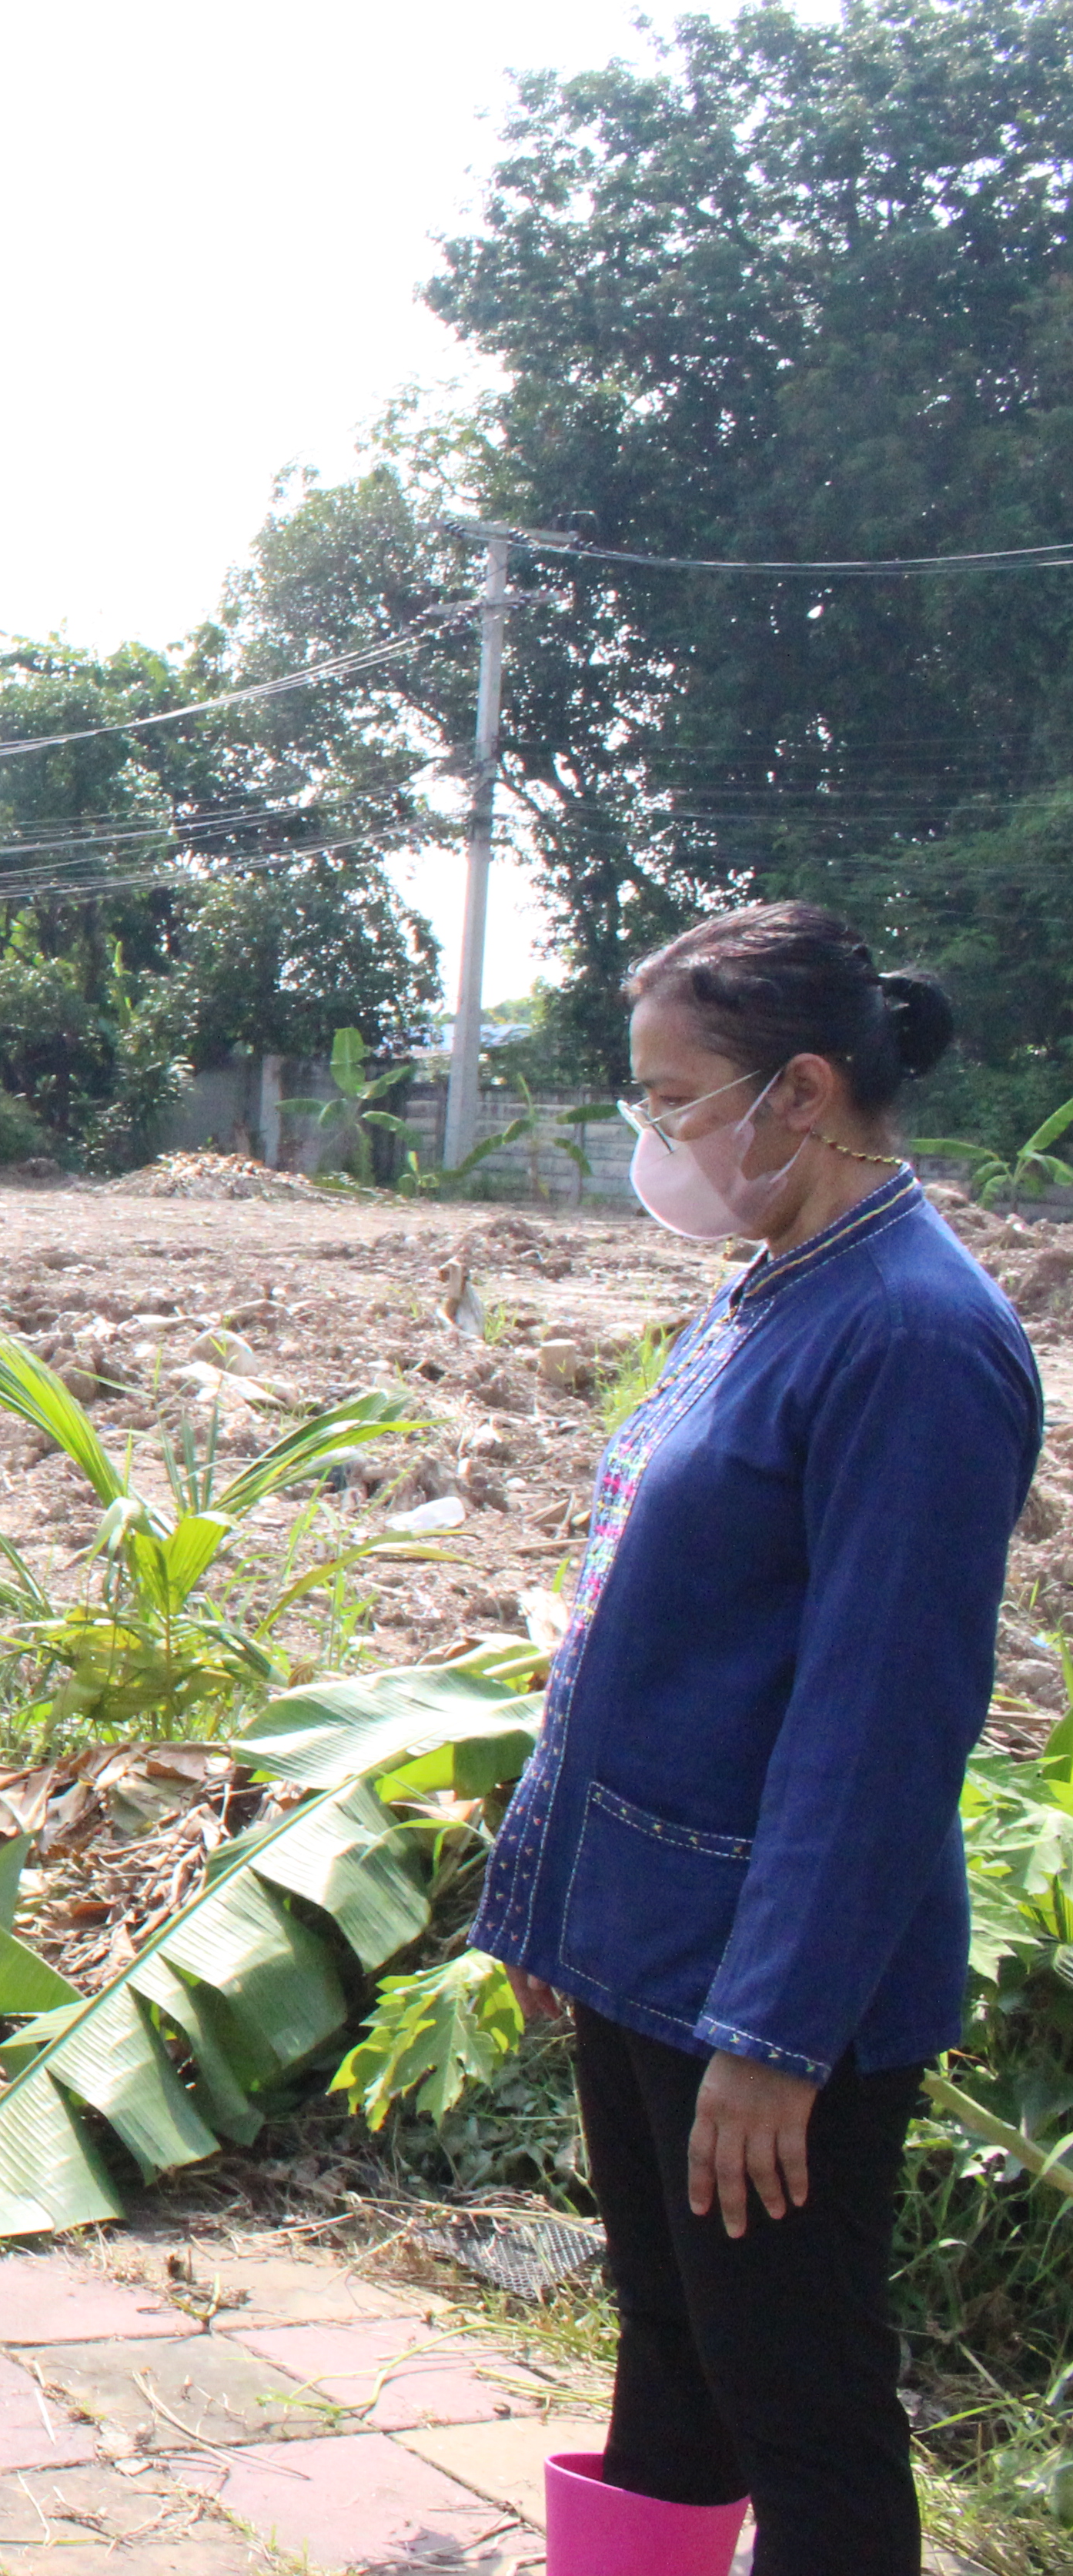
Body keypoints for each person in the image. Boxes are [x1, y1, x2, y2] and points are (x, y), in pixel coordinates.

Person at [469, 904, 1038, 2576]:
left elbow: (876, 1728)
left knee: (799, 2398)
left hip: (769, 1990)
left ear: (800, 1092)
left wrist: (776, 2037)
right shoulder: (775, 1285)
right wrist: (547, 1897)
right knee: (676, 2357)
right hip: (652, 1937)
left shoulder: (916, 1339)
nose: (652, 1139)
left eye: (670, 1101)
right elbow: (637, 1619)